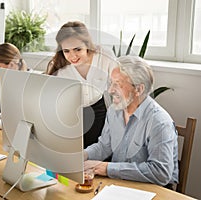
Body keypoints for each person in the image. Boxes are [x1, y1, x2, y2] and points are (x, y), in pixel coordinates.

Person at [83, 55, 179, 187]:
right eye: (111, 83)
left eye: (118, 84)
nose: (110, 90)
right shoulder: (113, 111)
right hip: (119, 184)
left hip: (153, 190)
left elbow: (161, 173)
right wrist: (83, 155)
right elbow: (104, 146)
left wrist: (106, 168)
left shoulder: (159, 122)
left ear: (138, 89)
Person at [46, 21, 118, 148]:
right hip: (72, 115)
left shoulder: (104, 56)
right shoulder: (60, 68)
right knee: (75, 155)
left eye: (77, 49)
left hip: (98, 110)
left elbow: (120, 83)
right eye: (66, 51)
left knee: (98, 152)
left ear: (87, 44)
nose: (72, 56)